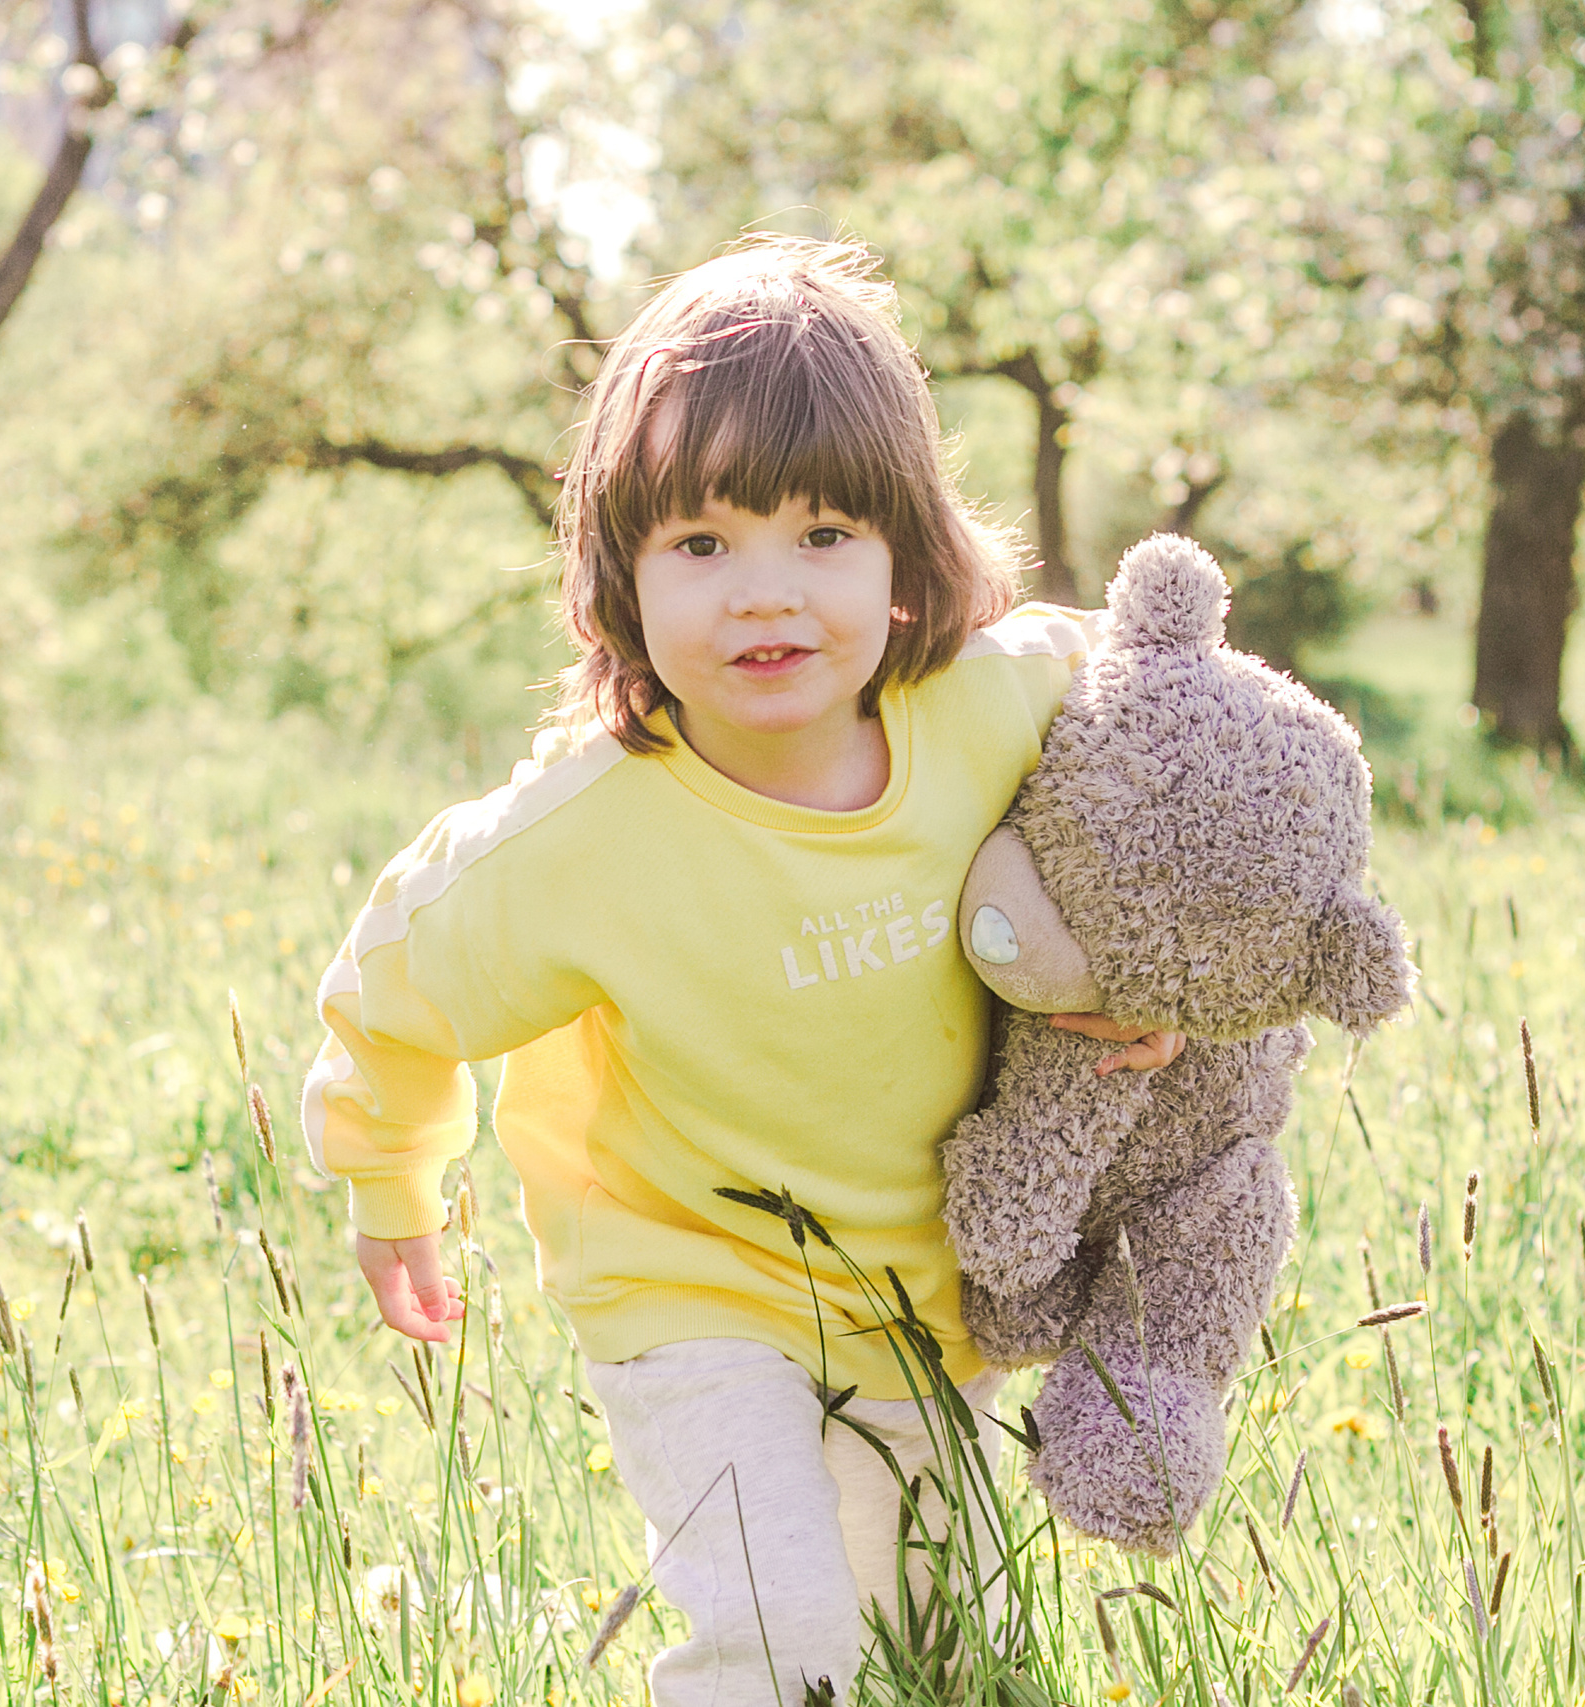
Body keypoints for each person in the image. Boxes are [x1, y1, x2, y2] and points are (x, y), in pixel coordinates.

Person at [301, 236, 1182, 1706]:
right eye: (702, 546)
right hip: (686, 1282)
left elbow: (1182, 765)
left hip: (926, 1288)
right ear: (618, 578)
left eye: (824, 535)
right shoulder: (584, 838)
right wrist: (387, 1182)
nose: (765, 594)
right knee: (778, 1642)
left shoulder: (998, 704)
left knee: (949, 1656)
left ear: (910, 553)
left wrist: (1162, 981)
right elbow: (397, 979)